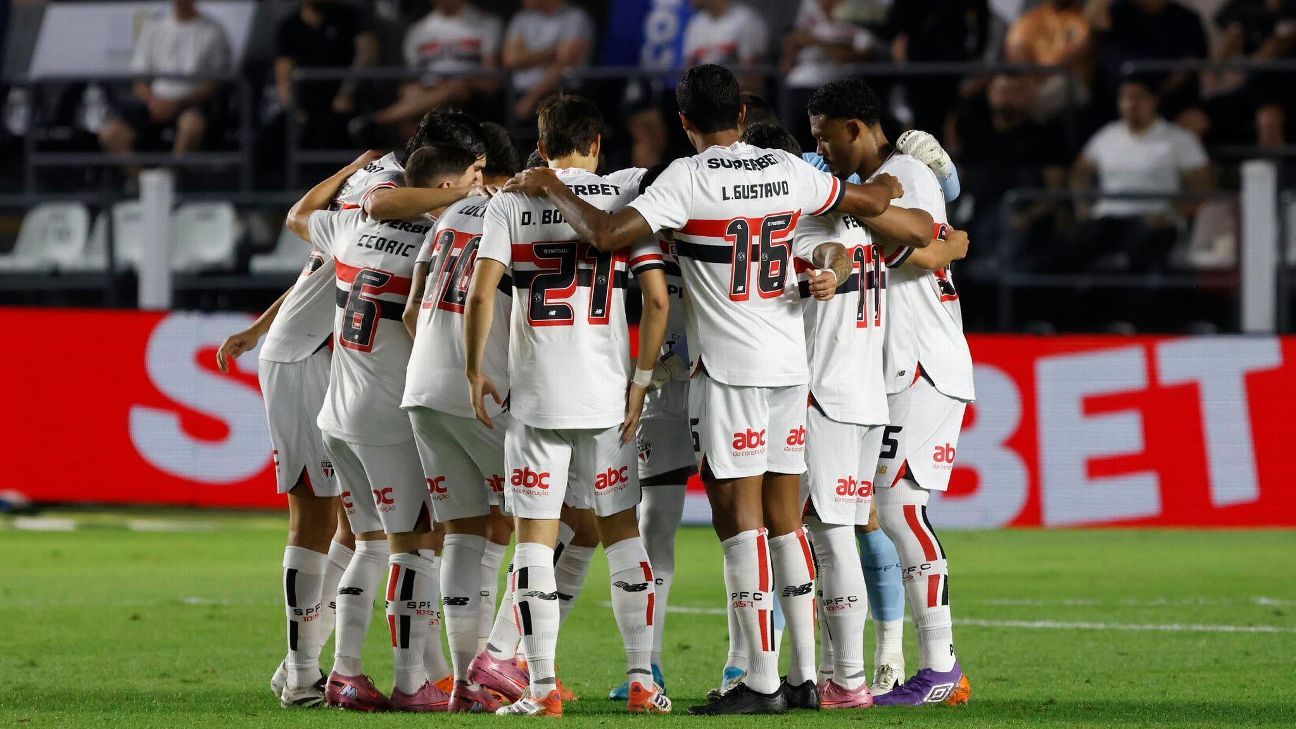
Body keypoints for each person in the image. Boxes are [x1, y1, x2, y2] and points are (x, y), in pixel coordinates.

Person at [501, 64, 920, 715]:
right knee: (786, 520)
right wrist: (889, 182)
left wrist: (552, 183)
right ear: (745, 116)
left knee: (738, 522)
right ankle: (806, 675)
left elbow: (608, 234)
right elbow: (864, 205)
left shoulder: (687, 177)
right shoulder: (787, 169)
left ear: (685, 119)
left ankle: (757, 679)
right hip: (790, 369)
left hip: (728, 374)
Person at [464, 94, 674, 717]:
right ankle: (642, 678)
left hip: (536, 397)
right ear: (598, 142)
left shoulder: (509, 201)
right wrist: (641, 380)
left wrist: (475, 371)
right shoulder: (623, 196)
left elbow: (481, 295)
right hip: (608, 394)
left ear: (542, 140)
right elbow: (657, 301)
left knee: (535, 537)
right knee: (620, 531)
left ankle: (543, 687)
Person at [281, 143, 481, 713]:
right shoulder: (436, 243)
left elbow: (297, 216)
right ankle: (409, 681)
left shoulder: (353, 230)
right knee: (413, 548)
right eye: (470, 177)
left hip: (336, 414)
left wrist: (344, 172)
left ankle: (344, 673)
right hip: (386, 420)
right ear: (444, 188)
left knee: (368, 541)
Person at [805, 77, 975, 708]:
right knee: (879, 507)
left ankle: (942, 666)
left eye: (826, 135)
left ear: (855, 127)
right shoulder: (868, 178)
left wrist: (871, 224)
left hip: (922, 364)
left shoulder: (907, 171)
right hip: (890, 371)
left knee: (900, 505)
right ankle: (912, 664)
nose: (820, 147)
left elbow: (932, 253)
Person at [400, 122, 521, 713]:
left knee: (465, 532)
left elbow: (410, 307)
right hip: (481, 388)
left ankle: (466, 688)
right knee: (552, 519)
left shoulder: (450, 216)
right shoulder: (512, 212)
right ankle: (496, 663)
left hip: (422, 386)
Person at [1068, 78, 1211, 272]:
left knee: (1142, 244)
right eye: (1124, 98)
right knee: (1073, 244)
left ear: (1154, 101)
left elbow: (1202, 188)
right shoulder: (1107, 135)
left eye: (1137, 98)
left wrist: (1173, 214)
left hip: (1153, 219)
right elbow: (1080, 172)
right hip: (1108, 216)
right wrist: (1082, 206)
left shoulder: (1179, 139)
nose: (1130, 104)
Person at [98, 0, 231, 176]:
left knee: (191, 124)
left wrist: (180, 102)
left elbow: (215, 82)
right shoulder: (153, 28)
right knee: (110, 133)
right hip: (154, 103)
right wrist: (153, 101)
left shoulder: (213, 31)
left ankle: (171, 179)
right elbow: (140, 79)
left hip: (190, 104)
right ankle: (141, 184)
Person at [368, 1, 503, 130]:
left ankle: (382, 120)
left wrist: (464, 81)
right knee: (411, 92)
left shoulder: (488, 23)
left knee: (454, 87)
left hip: (469, 91)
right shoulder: (418, 30)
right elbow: (411, 78)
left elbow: (491, 79)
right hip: (427, 88)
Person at [274, 0, 378, 148]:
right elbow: (283, 75)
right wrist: (294, 110)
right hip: (305, 108)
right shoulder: (289, 26)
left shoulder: (350, 17)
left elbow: (367, 56)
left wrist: (346, 94)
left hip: (341, 104)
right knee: (275, 134)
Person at [501, 0, 595, 119]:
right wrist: (553, 52)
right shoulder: (522, 18)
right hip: (518, 95)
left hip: (561, 98)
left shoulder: (576, 18)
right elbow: (511, 59)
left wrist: (532, 98)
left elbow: (565, 62)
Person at [1003, 0, 1094, 119]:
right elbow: (1016, 50)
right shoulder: (1031, 18)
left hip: (1068, 79)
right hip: (1033, 78)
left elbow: (1079, 52)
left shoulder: (1083, 17)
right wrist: (1031, 78)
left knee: (1033, 99)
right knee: (1003, 88)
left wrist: (1043, 75)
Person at [682, 0, 770, 89]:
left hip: (734, 93)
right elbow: (689, 67)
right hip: (704, 94)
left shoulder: (746, 19)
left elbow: (753, 73)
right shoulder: (697, 21)